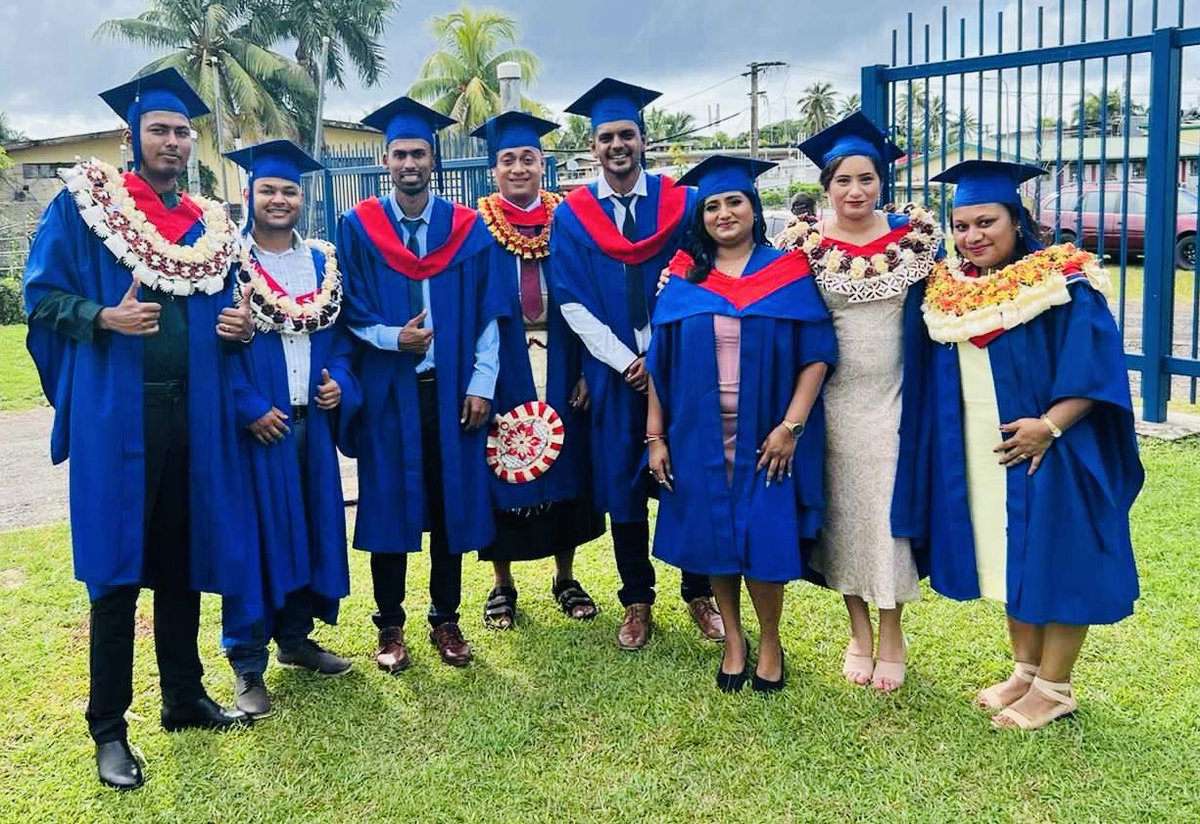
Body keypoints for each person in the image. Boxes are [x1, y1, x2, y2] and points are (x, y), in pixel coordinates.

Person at [22, 68, 255, 791]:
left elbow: (229, 314)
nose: (175, 141)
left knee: (182, 561)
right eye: (161, 129)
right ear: (132, 137)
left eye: (184, 130)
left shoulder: (208, 224)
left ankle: (183, 698)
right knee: (117, 573)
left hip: (196, 412)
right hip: (120, 410)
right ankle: (108, 728)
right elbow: (39, 296)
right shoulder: (85, 208)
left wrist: (240, 328)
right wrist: (104, 317)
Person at [922, 159, 1143, 730]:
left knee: (1058, 556)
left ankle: (1056, 686)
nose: (973, 236)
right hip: (984, 445)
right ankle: (1024, 671)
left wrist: (1050, 425)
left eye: (986, 221)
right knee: (1010, 556)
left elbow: (1097, 369)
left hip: (1052, 444)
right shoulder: (954, 291)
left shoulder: (1061, 282)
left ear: (1017, 220)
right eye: (962, 224)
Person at [646, 156, 836, 692]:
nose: (724, 213)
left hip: (766, 438)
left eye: (734, 202)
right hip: (697, 436)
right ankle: (734, 637)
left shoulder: (788, 271)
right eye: (712, 205)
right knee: (714, 542)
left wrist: (791, 427)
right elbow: (660, 365)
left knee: (766, 542)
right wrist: (655, 437)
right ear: (700, 216)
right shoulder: (684, 279)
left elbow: (816, 354)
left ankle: (770, 638)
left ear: (754, 210)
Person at [551, 78, 724, 650]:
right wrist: (628, 360)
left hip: (681, 366)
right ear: (592, 145)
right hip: (614, 371)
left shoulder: (682, 204)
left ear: (644, 140)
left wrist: (663, 354)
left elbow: (704, 277)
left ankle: (699, 591)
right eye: (607, 136)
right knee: (624, 488)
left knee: (690, 478)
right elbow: (570, 298)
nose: (617, 145)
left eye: (627, 134)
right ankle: (636, 599)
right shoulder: (574, 216)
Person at [337, 96, 506, 670]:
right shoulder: (359, 228)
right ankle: (389, 625)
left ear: (434, 160)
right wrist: (392, 338)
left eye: (419, 153)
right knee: (387, 505)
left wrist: (482, 382)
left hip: (450, 388)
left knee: (448, 502)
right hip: (390, 391)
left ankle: (447, 618)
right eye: (399, 153)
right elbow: (348, 307)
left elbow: (489, 311)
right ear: (386, 161)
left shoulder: (467, 230)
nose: (409, 163)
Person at [785, 112, 942, 692]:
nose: (856, 191)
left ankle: (893, 629)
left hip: (898, 395)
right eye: (843, 180)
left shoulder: (915, 240)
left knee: (887, 512)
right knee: (845, 511)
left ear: (883, 182)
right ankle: (857, 627)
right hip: (829, 402)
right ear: (826, 186)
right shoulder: (802, 244)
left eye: (867, 179)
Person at [219, 140, 362, 718]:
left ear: (303, 197)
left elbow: (345, 344)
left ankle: (297, 640)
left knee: (307, 526)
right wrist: (247, 405)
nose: (279, 199)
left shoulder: (324, 264)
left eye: (289, 190)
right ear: (250, 194)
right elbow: (213, 350)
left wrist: (342, 387)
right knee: (255, 538)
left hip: (313, 425)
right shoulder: (225, 263)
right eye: (268, 190)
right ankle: (247, 663)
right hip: (261, 427)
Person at [469, 111, 605, 629]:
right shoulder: (477, 229)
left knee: (566, 466)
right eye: (508, 160)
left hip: (565, 355)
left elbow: (592, 298)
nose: (519, 168)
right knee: (503, 464)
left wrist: (590, 370)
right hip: (504, 362)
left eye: (528, 158)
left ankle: (565, 576)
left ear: (542, 164)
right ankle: (502, 584)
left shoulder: (568, 221)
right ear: (493, 170)